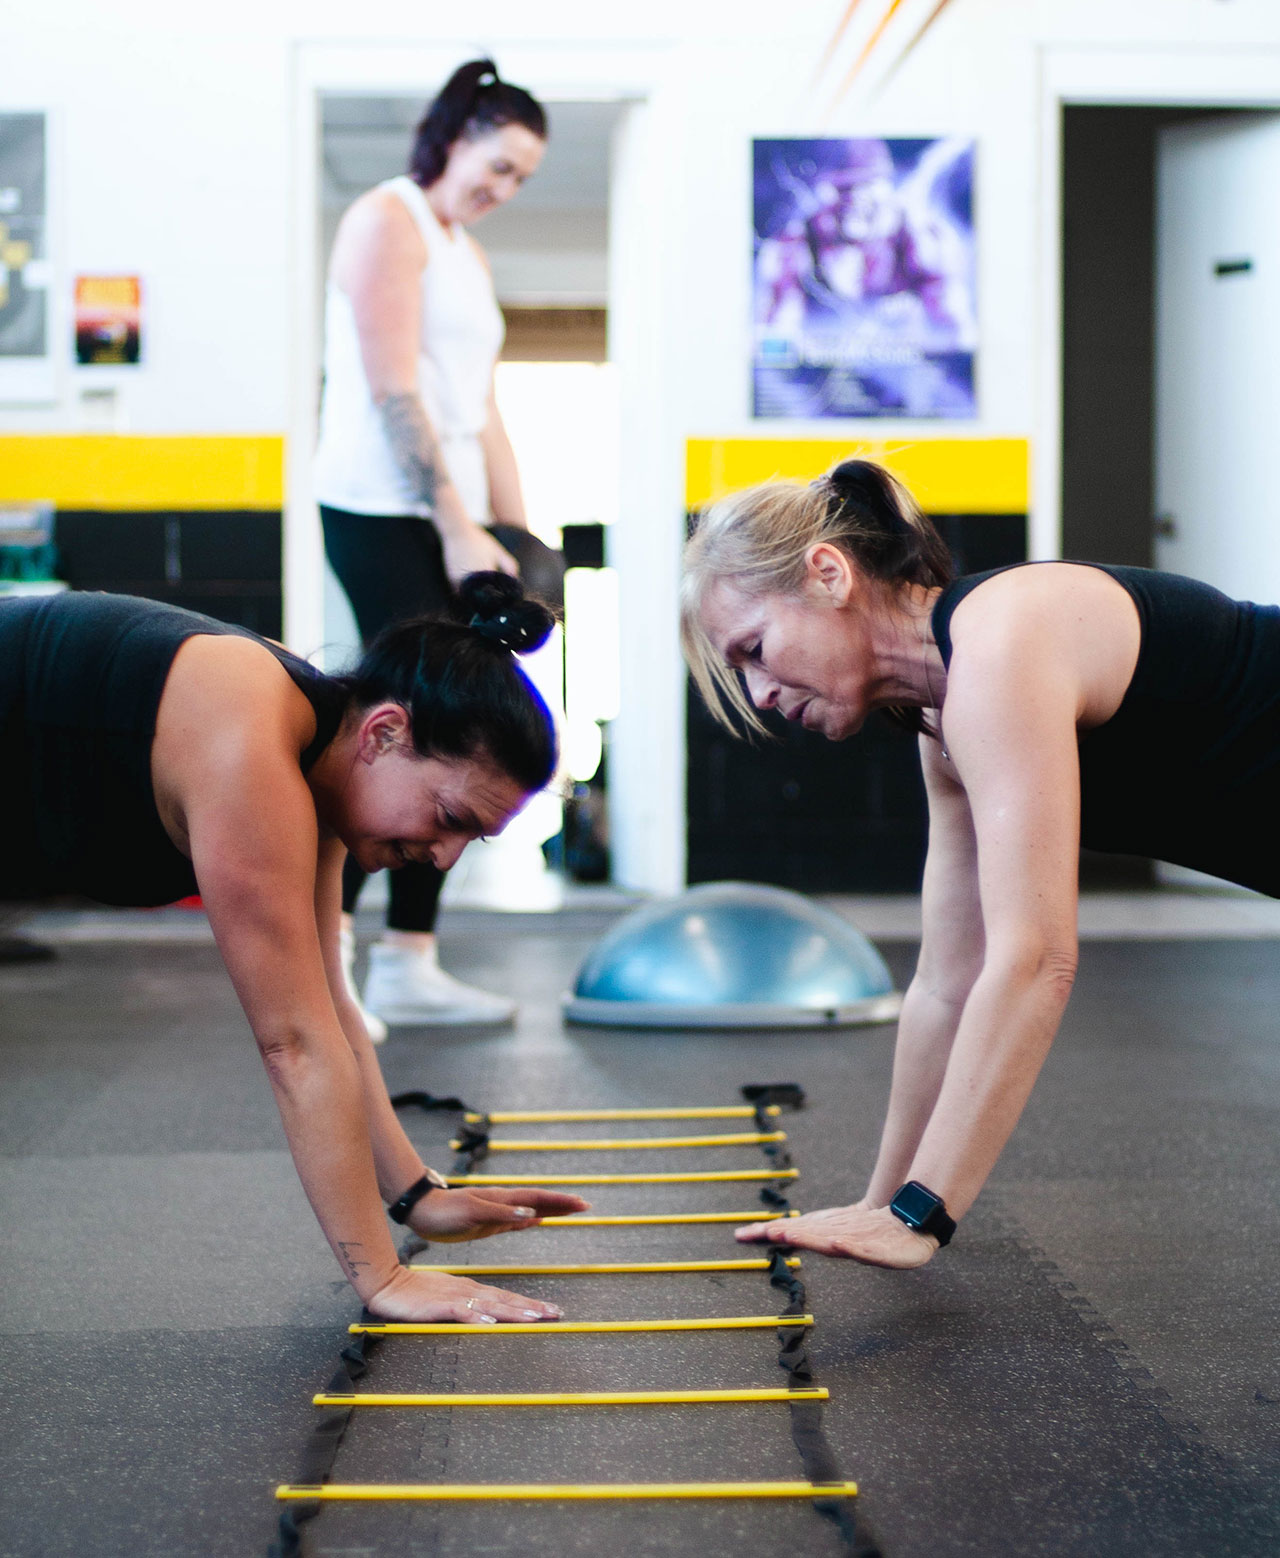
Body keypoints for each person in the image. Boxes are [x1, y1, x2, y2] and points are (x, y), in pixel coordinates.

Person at [680, 456, 1280, 1270]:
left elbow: (1034, 961)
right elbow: (946, 981)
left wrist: (921, 1216)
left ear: (828, 574)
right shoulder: (944, 720)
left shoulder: (1001, 644)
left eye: (755, 648)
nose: (759, 695)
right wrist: (880, 1204)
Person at [0, 574, 589, 1322]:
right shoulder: (249, 741)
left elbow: (329, 1010)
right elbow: (294, 1047)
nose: (444, 859)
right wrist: (384, 1278)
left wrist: (416, 1195)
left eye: (471, 839)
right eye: (450, 817)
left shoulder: (316, 751)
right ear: (383, 733)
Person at [314, 57, 564, 1034]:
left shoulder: (467, 253)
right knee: (404, 728)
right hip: (381, 506)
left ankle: (409, 960)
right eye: (497, 165)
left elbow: (481, 407)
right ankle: (330, 961)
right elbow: (393, 390)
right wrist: (457, 526)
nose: (503, 189)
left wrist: (519, 538)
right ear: (454, 137)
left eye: (520, 178)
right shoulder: (388, 219)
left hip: (453, 514)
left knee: (461, 731)